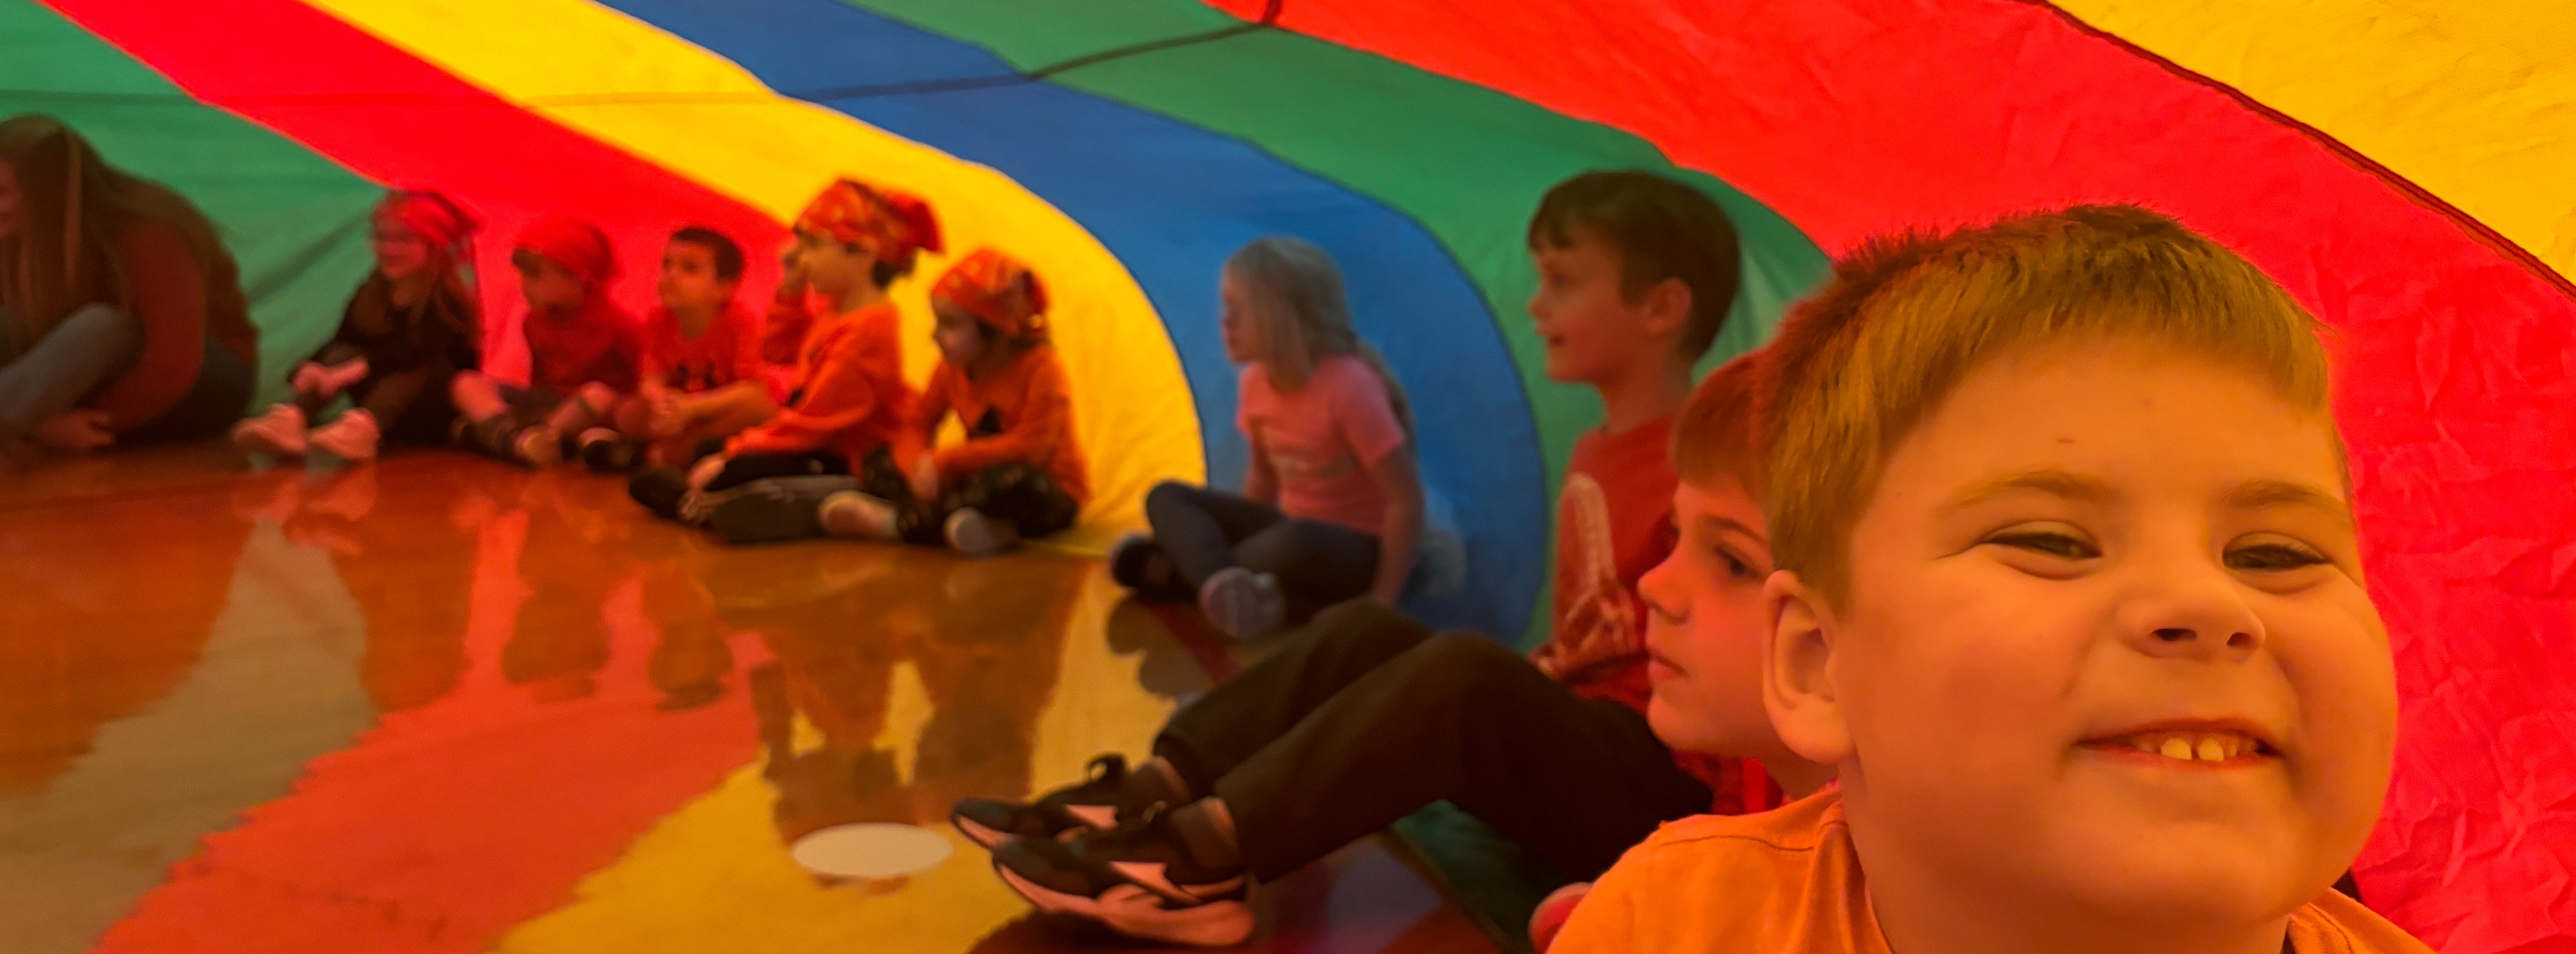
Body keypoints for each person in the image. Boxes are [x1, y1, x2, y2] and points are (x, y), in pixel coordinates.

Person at [1551, 206, 2433, 954]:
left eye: (2276, 553)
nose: (2209, 603)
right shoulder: (1677, 925)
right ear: (1821, 662)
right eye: (2052, 540)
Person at [958, 171, 1801, 947]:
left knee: (1466, 677)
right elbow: (1596, 640)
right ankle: (1153, 789)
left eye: (1564, 281)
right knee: (1366, 631)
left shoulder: (1711, 471)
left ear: (1661, 308)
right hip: (1593, 730)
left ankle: (1199, 859)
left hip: (1662, 789)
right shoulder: (1595, 449)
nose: (1537, 306)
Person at [1109, 236, 1422, 639]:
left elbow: (1406, 501)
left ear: (1283, 317)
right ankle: (1223, 586)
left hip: (1353, 552)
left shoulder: (1348, 388)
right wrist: (1243, 535)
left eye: (1238, 310)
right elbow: (1262, 481)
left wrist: (1382, 603)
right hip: (1291, 536)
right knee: (1165, 495)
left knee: (1296, 541)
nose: (1225, 322)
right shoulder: (1255, 383)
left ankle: (1184, 574)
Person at [712, 247, 1086, 556]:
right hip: (971, 486)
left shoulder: (1042, 371)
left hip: (1043, 489)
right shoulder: (952, 366)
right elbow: (919, 423)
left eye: (951, 325)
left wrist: (942, 462)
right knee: (882, 459)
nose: (936, 337)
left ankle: (898, 524)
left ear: (996, 332)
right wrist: (915, 466)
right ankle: (978, 531)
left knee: (1013, 481)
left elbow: (1030, 449)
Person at [627, 177, 934, 531]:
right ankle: (707, 497)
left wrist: (735, 453)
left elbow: (810, 424)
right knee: (710, 456)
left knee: (732, 469)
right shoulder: (837, 311)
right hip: (821, 445)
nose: (797, 257)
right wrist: (791, 287)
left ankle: (709, 507)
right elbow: (777, 350)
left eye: (813, 246)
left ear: (863, 256)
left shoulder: (869, 331)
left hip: (854, 459)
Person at [0, 114, 258, 461]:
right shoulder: (22, 237)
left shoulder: (146, 229)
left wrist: (85, 423)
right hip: (73, 385)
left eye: (3, 193)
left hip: (197, 380)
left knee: (100, 324)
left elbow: (172, 365)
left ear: (47, 193)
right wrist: (43, 426)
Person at [231, 189, 481, 462]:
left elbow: (412, 352)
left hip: (427, 412)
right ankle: (293, 419)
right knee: (341, 352)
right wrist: (310, 367)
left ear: (434, 246)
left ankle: (363, 428)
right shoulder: (372, 292)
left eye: (404, 239)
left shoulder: (448, 302)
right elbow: (344, 338)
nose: (390, 249)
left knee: (428, 366)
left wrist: (348, 373)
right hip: (381, 402)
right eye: (383, 237)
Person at [573, 225, 773, 472]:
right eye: (667, 265)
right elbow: (651, 378)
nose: (671, 275)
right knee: (628, 413)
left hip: (714, 411)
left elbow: (752, 390)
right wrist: (662, 403)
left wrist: (693, 408)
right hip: (675, 413)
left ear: (724, 289)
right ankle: (657, 455)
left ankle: (647, 456)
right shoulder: (659, 319)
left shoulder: (740, 323)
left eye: (689, 269)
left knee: (760, 410)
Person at [449, 214, 641, 468]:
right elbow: (538, 381)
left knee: (597, 395)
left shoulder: (620, 325)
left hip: (591, 413)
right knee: (466, 382)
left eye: (535, 276)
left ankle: (528, 439)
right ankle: (513, 437)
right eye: (523, 275)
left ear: (579, 277)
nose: (524, 286)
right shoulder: (534, 321)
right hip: (548, 406)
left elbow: (641, 384)